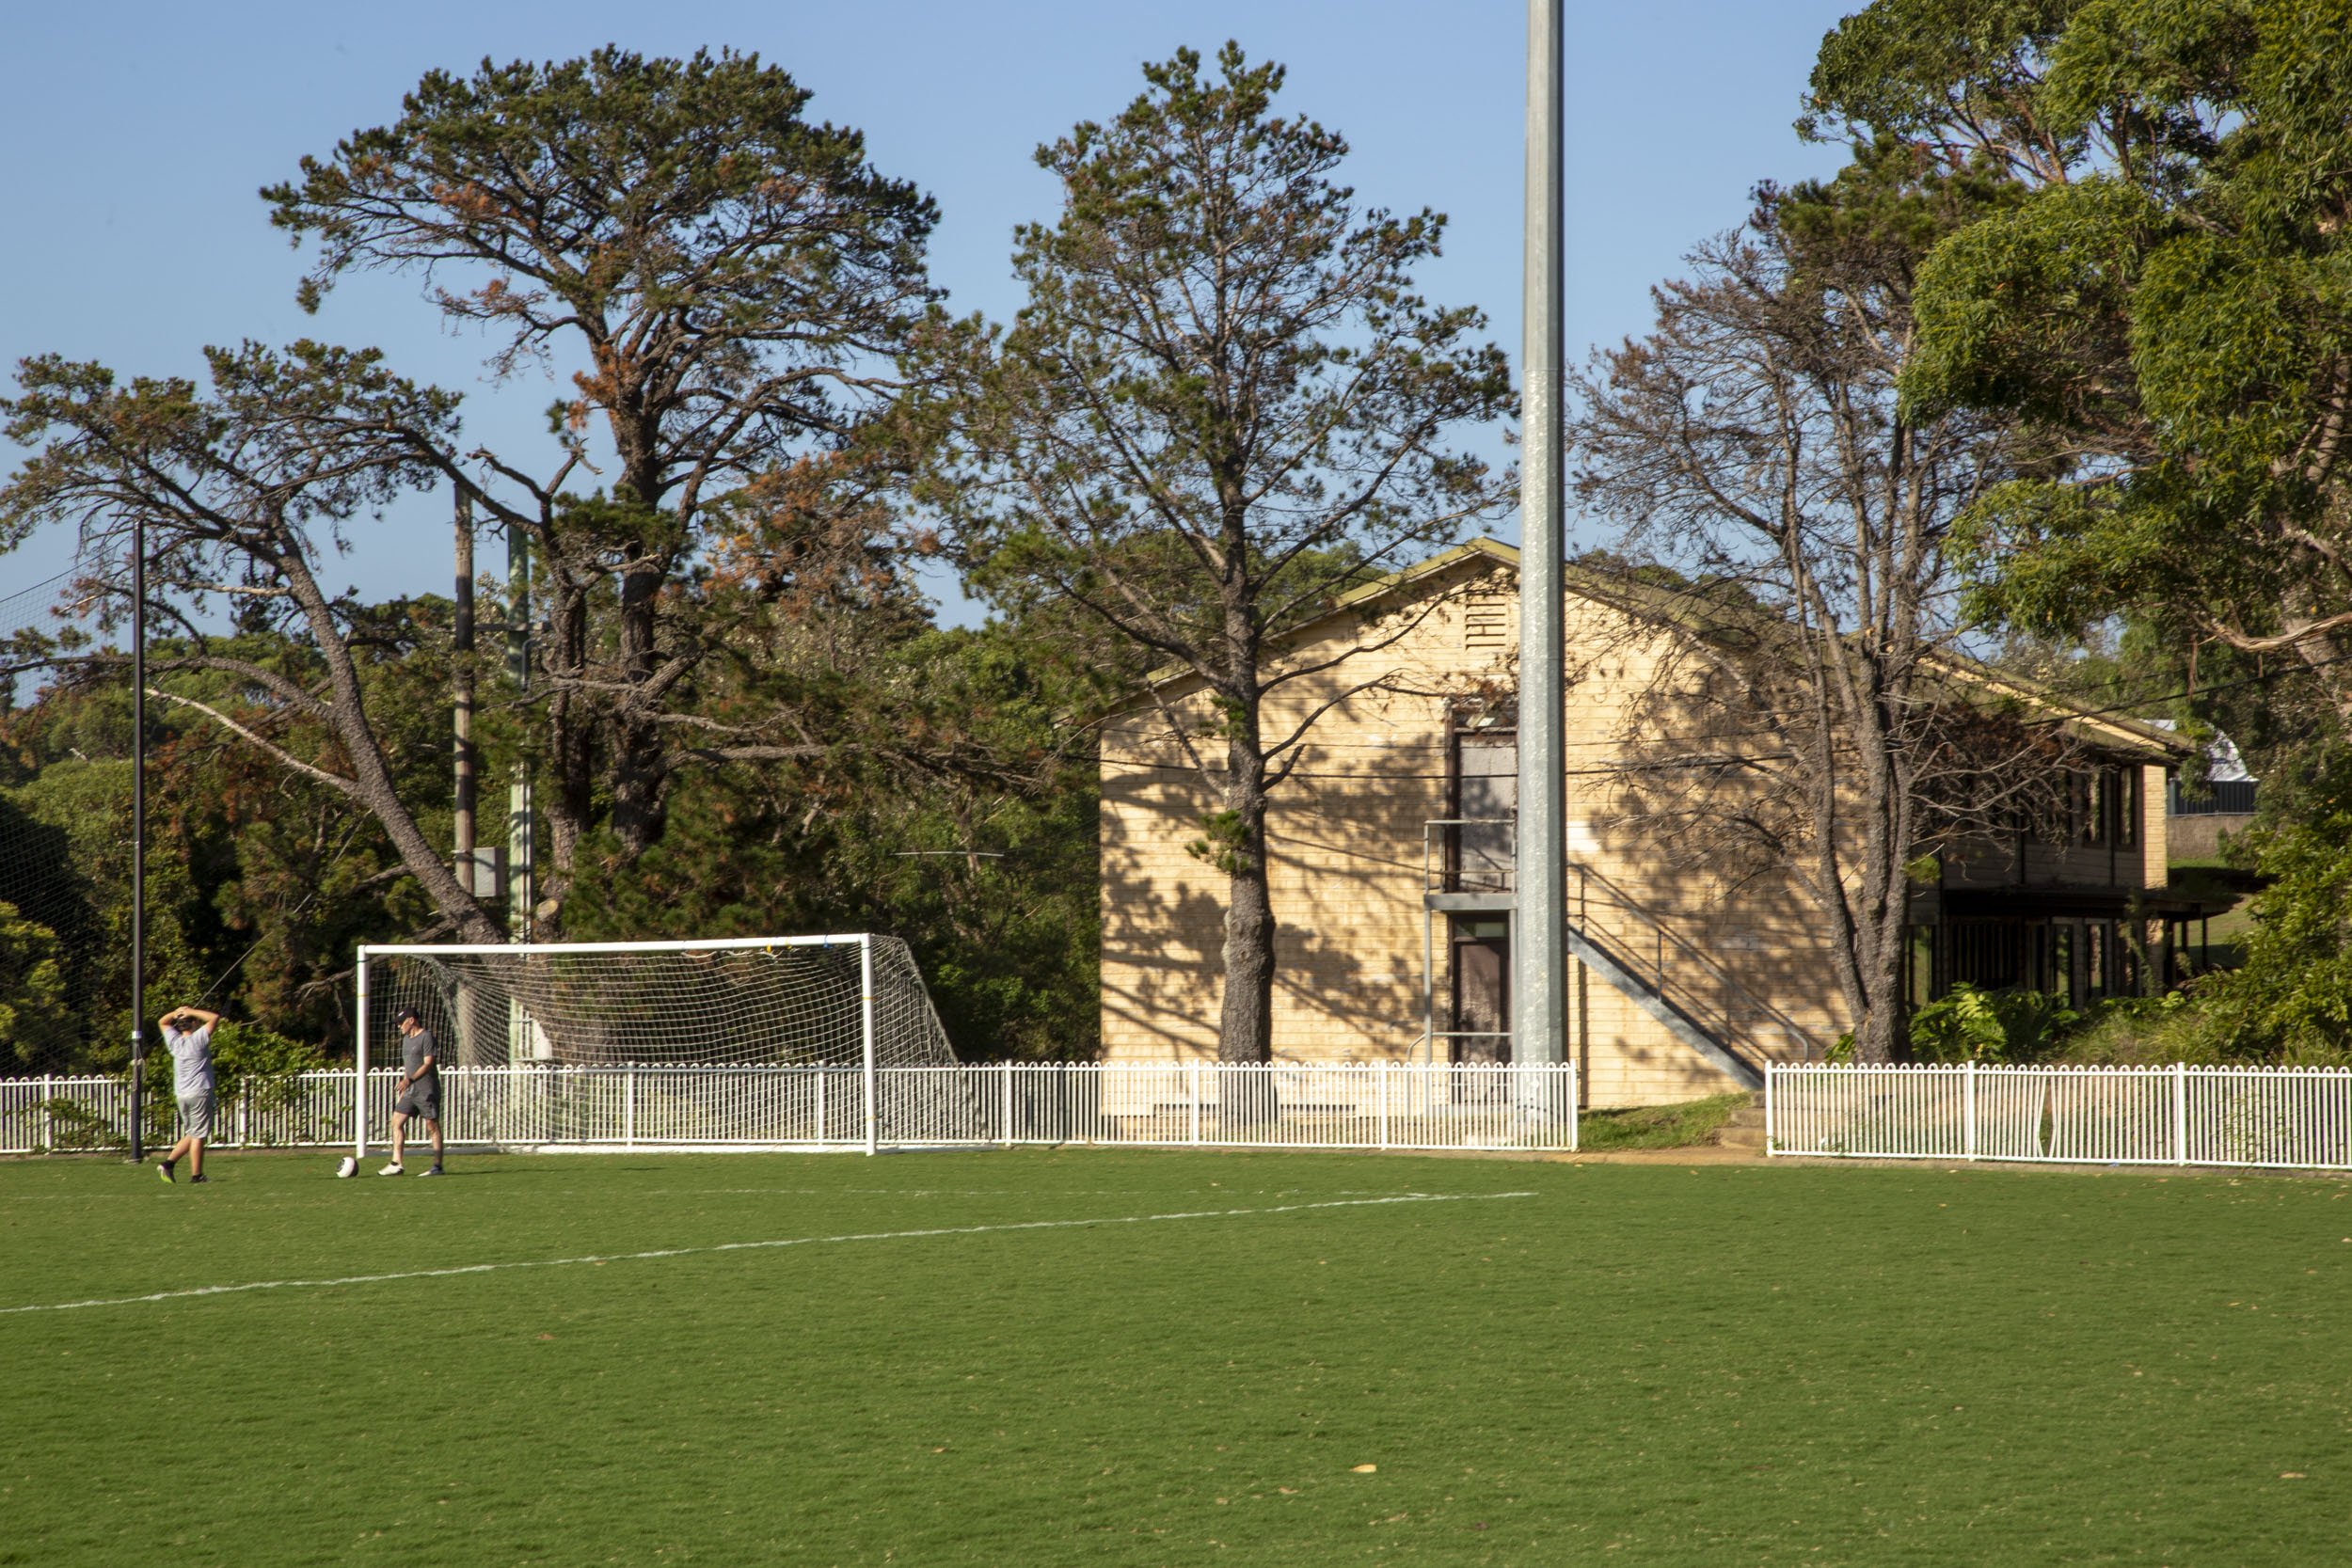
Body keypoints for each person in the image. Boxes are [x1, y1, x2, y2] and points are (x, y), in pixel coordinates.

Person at [156, 1005, 221, 1184]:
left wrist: (175, 1013)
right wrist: (190, 1011)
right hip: (199, 1092)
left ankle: (168, 1164)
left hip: (182, 1094)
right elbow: (214, 1017)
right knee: (199, 1135)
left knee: (193, 1132)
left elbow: (162, 1022)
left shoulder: (174, 1042)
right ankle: (197, 1175)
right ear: (193, 1024)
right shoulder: (198, 1039)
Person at [381, 1006, 444, 1176]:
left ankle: (437, 1167)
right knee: (396, 1121)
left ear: (411, 1020)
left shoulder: (427, 1037)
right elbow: (407, 1066)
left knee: (432, 1126)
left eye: (401, 1022)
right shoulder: (406, 1040)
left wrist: (409, 1080)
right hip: (410, 1091)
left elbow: (428, 1063)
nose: (399, 1026)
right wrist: (405, 1083)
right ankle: (396, 1163)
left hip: (426, 1090)